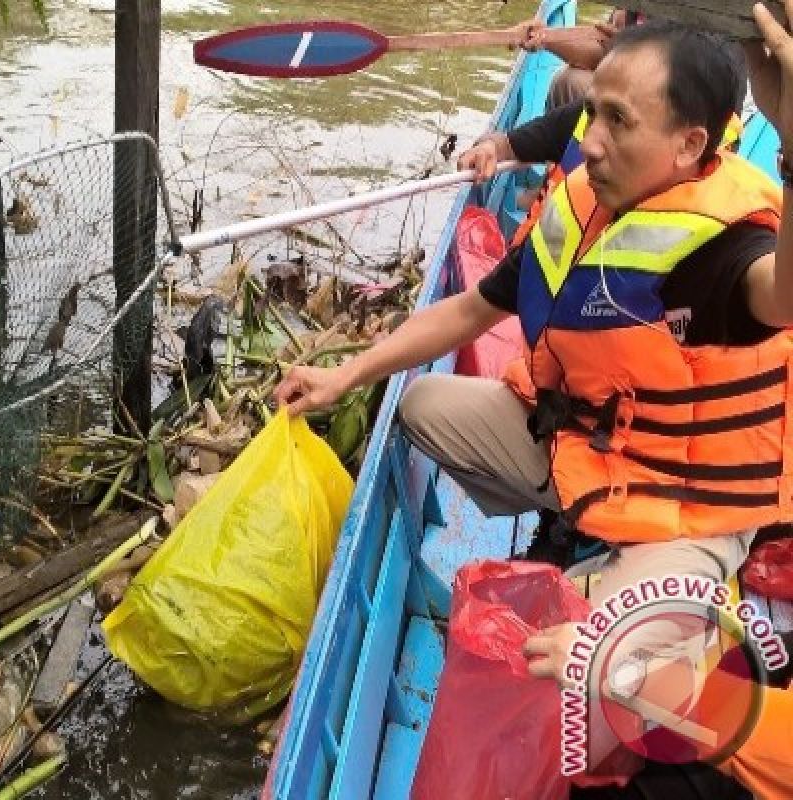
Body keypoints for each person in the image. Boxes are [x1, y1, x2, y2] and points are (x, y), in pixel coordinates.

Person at [275, 17, 793, 797]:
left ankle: (628, 592)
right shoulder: (586, 202)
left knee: (583, 659)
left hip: (683, 509)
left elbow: (781, 293)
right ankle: (583, 543)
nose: (591, 141)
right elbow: (465, 314)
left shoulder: (725, 249)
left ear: (689, 145)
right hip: (590, 453)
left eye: (621, 122)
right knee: (425, 407)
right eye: (596, 114)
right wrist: (348, 373)